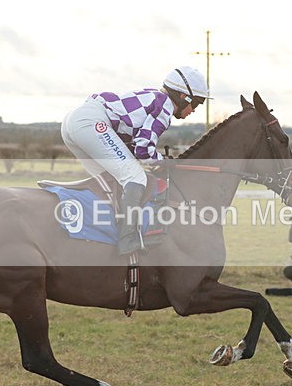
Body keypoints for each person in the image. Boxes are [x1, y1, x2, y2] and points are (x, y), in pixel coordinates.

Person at [62, 66, 209, 255]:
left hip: (75, 122)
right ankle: (126, 240)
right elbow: (143, 149)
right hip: (90, 123)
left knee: (110, 181)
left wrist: (157, 160)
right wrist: (163, 161)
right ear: (183, 97)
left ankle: (102, 236)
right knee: (136, 178)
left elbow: (137, 146)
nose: (194, 110)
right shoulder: (165, 106)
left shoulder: (156, 97)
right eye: (196, 104)